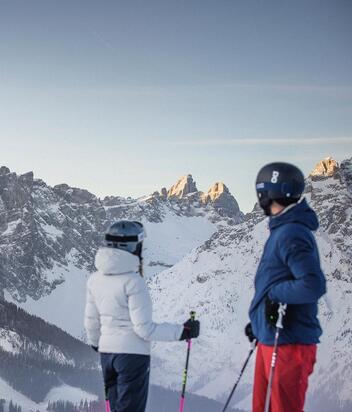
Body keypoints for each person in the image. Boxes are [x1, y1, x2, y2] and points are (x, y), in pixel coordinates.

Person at [84, 220, 200, 412]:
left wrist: (98, 343)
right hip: (132, 356)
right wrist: (183, 331)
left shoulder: (95, 280)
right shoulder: (134, 281)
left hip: (106, 355)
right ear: (133, 246)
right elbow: (144, 329)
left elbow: (91, 322)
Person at [246, 162, 326, 412]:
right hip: (273, 337)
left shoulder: (291, 232)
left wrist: (275, 296)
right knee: (263, 407)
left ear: (266, 193)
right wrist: (259, 323)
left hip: (289, 344)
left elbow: (313, 285)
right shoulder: (283, 230)